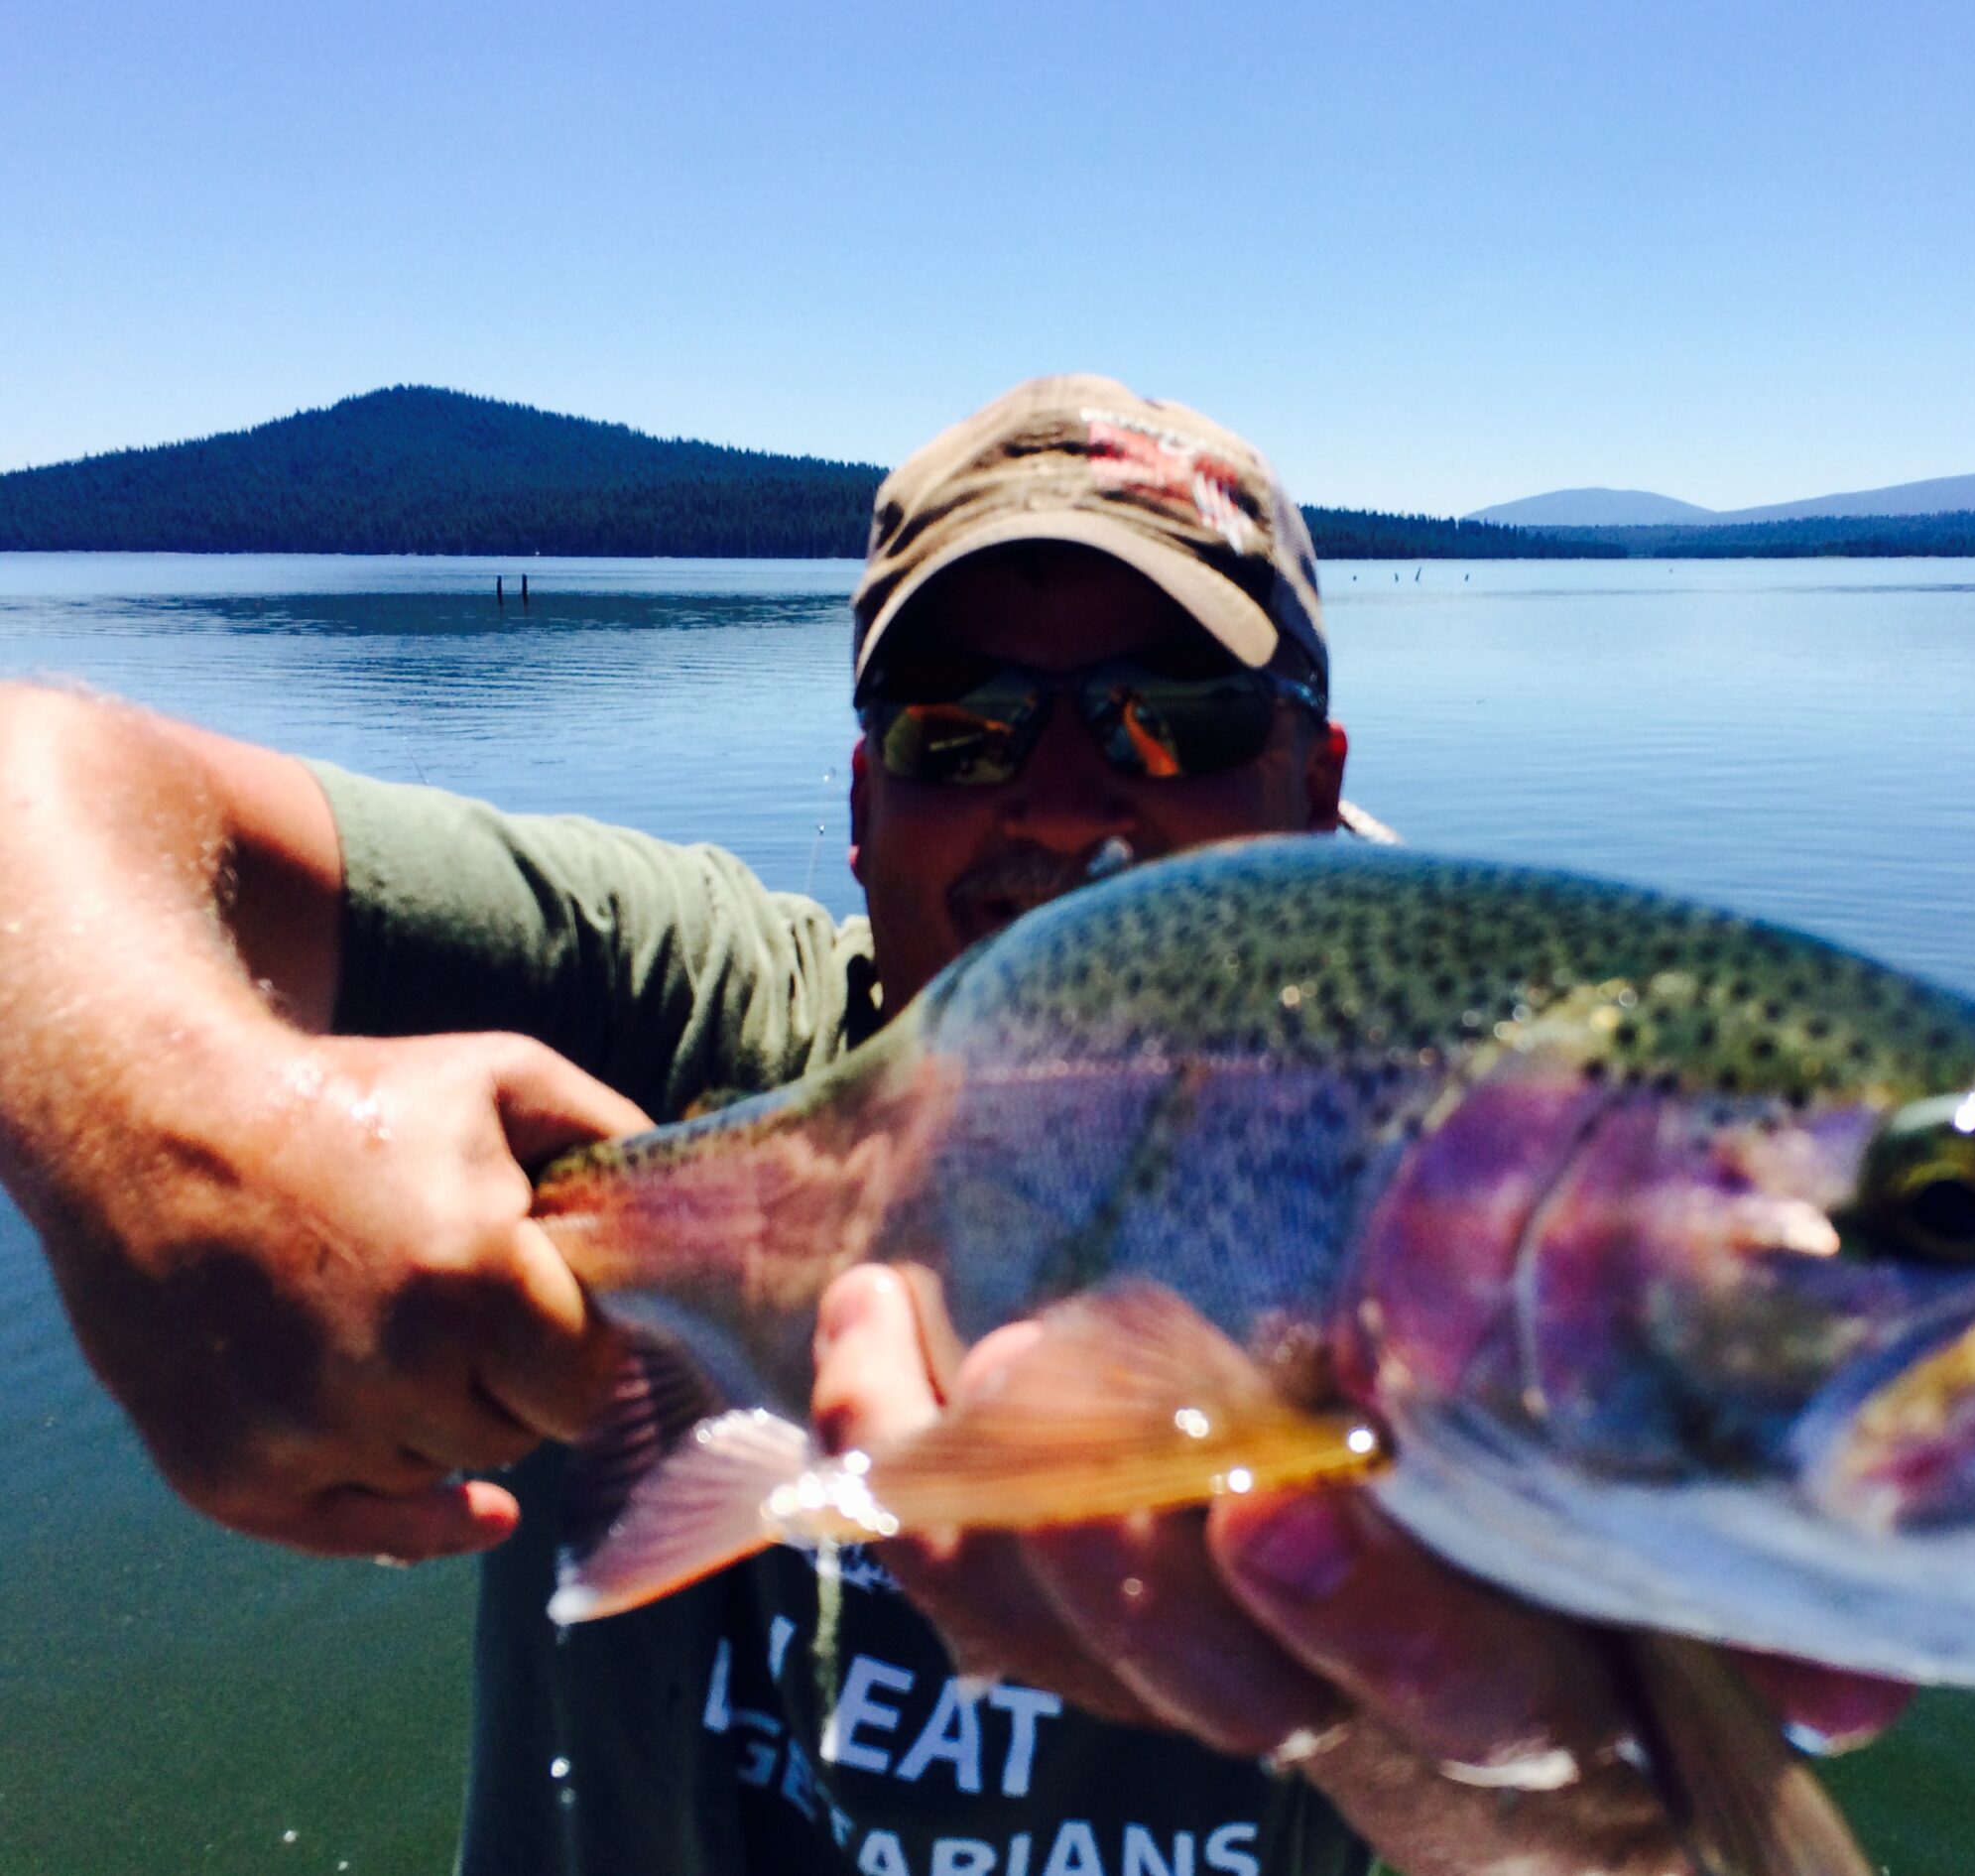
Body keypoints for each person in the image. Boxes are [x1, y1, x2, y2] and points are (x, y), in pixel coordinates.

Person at [0, 377, 1878, 1876]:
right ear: (861, 803)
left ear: (1315, 786)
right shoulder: (682, 1019)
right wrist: (177, 1132)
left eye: (1172, 719)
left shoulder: (1466, 1216)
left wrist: (1440, 1729)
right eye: (959, 732)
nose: (1062, 801)